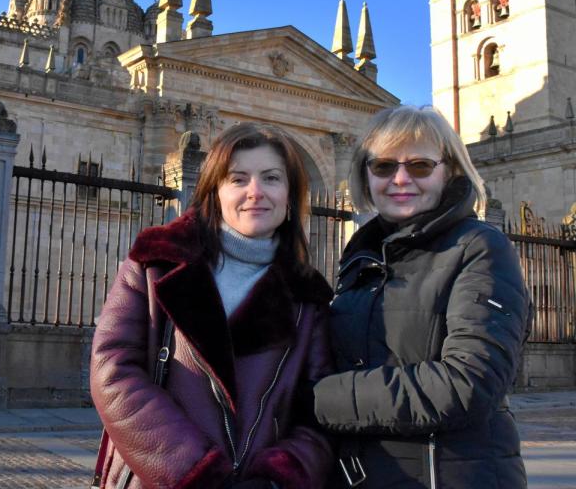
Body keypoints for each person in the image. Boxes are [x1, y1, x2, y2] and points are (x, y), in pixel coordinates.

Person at [90, 123, 334, 488]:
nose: (256, 192)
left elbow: (320, 411)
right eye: (238, 179)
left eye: (271, 178)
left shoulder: (309, 297)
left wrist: (276, 478)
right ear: (215, 192)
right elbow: (113, 370)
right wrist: (195, 471)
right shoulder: (156, 262)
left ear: (290, 197)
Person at [313, 106, 530, 488]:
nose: (400, 179)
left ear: (449, 172)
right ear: (365, 175)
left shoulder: (479, 248)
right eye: (382, 166)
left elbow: (469, 383)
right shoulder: (362, 257)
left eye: (419, 166)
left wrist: (316, 399)